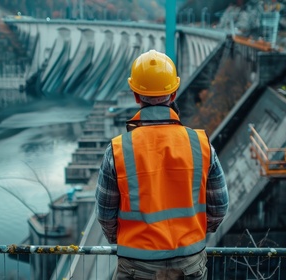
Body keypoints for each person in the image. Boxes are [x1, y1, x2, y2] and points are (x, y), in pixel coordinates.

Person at [95, 49, 229, 279]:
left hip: (137, 265)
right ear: (174, 93)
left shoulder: (117, 150)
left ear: (136, 95)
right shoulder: (201, 144)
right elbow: (219, 207)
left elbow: (106, 214)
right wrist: (194, 232)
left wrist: (127, 239)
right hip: (189, 263)